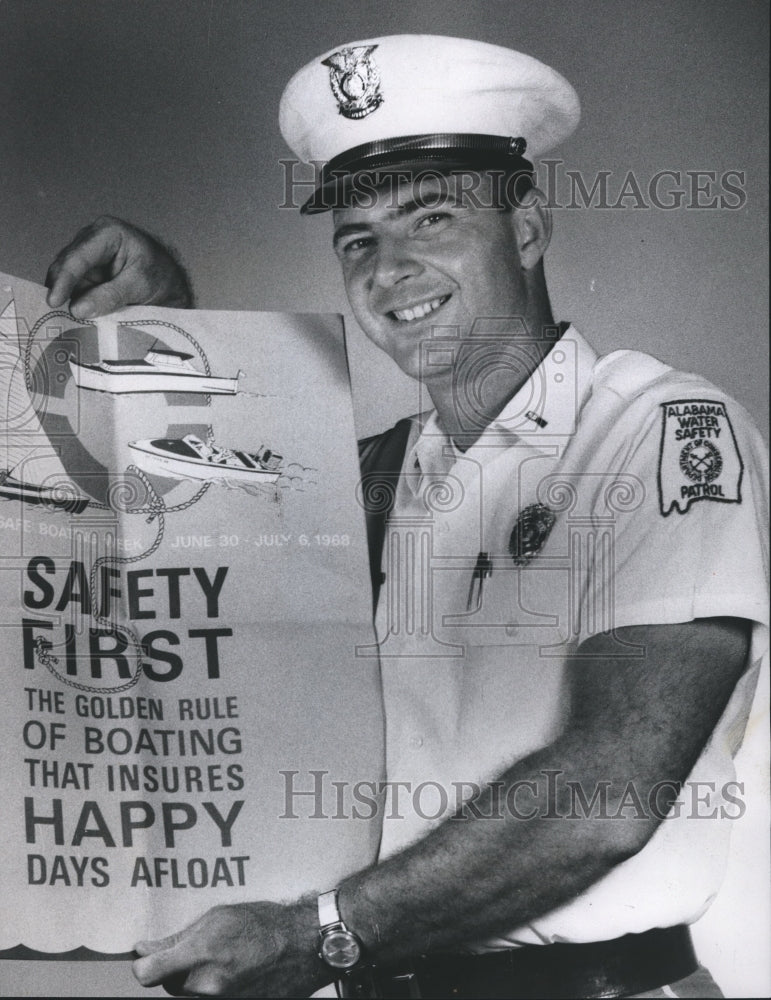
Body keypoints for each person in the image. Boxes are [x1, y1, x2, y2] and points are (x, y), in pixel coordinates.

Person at [45, 35, 768, 1000]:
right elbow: (183, 553)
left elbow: (608, 794)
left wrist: (322, 936)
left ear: (526, 228)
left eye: (430, 218)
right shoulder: (379, 476)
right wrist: (166, 324)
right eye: (358, 241)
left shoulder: (656, 431)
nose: (390, 271)